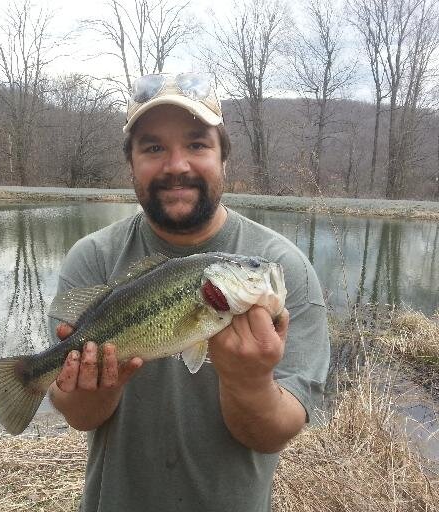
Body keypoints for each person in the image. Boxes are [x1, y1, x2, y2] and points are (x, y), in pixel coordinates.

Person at [48, 72, 330, 512]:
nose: (176, 165)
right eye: (153, 147)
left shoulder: (284, 266)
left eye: (197, 144)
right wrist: (95, 388)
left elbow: (274, 433)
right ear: (132, 164)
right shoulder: (93, 258)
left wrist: (250, 383)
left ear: (224, 159)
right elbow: (80, 416)